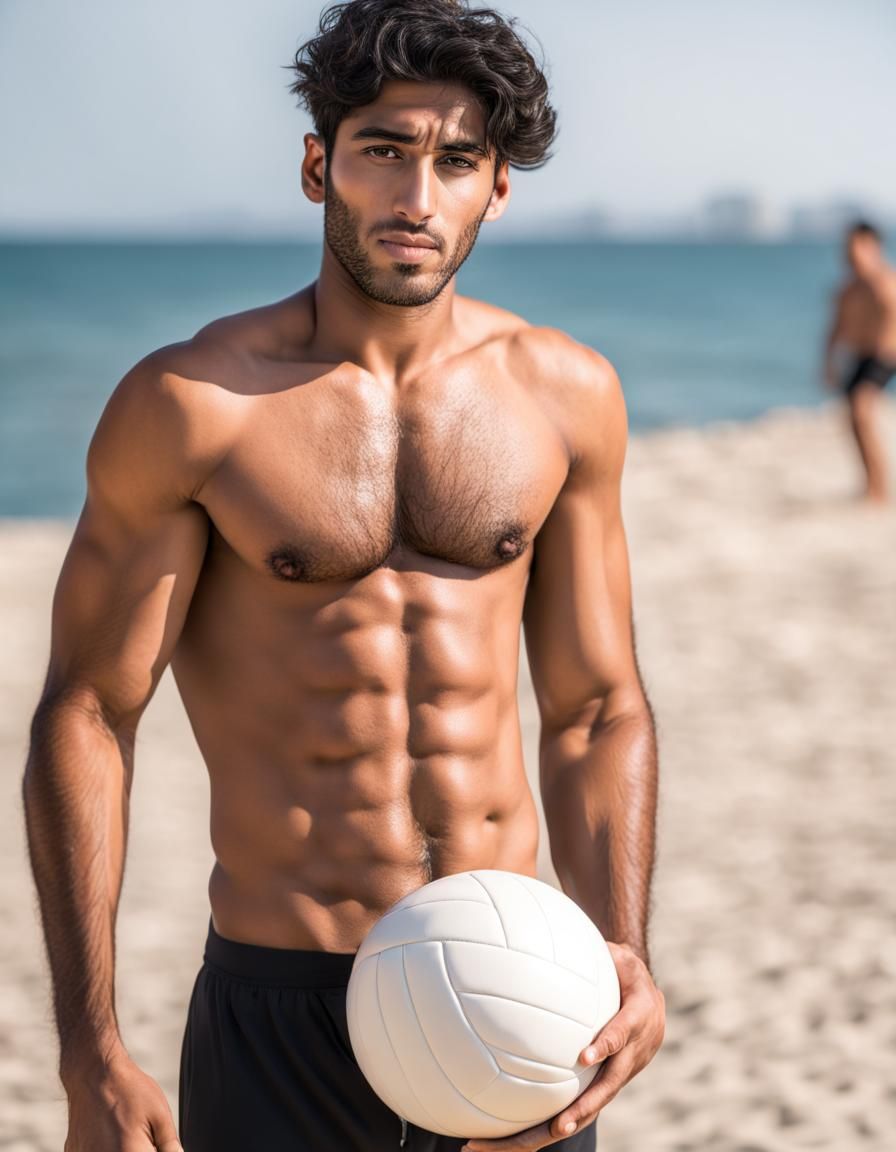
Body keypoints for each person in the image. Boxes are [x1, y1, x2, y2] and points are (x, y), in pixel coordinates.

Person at [21, 2, 664, 1150]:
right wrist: (90, 1054)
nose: (418, 198)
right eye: (384, 151)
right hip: (284, 1004)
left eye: (457, 160)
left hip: (520, 993)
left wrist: (621, 953)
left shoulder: (565, 398)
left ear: (496, 188)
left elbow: (594, 706)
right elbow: (88, 712)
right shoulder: (194, 408)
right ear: (319, 166)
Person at [823, 219, 896, 503]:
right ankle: (871, 485)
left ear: (872, 247)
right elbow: (835, 328)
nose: (851, 254)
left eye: (857, 247)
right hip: (861, 357)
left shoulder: (887, 282)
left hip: (885, 356)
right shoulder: (848, 290)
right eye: (847, 248)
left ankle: (878, 488)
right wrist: (828, 362)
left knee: (861, 411)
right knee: (855, 420)